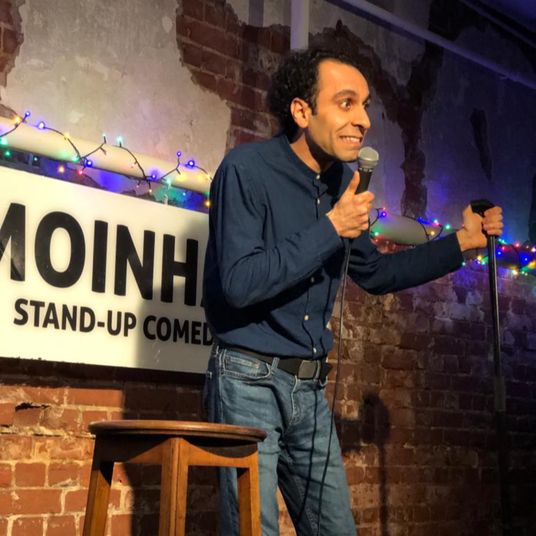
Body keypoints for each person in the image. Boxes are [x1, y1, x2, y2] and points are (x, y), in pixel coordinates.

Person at [202, 47, 503, 536]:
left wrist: (462, 243)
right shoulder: (246, 169)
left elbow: (375, 273)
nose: (363, 120)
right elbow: (239, 283)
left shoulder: (342, 182)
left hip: (309, 386)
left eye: (364, 106)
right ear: (302, 111)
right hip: (246, 380)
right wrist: (332, 226)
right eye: (346, 103)